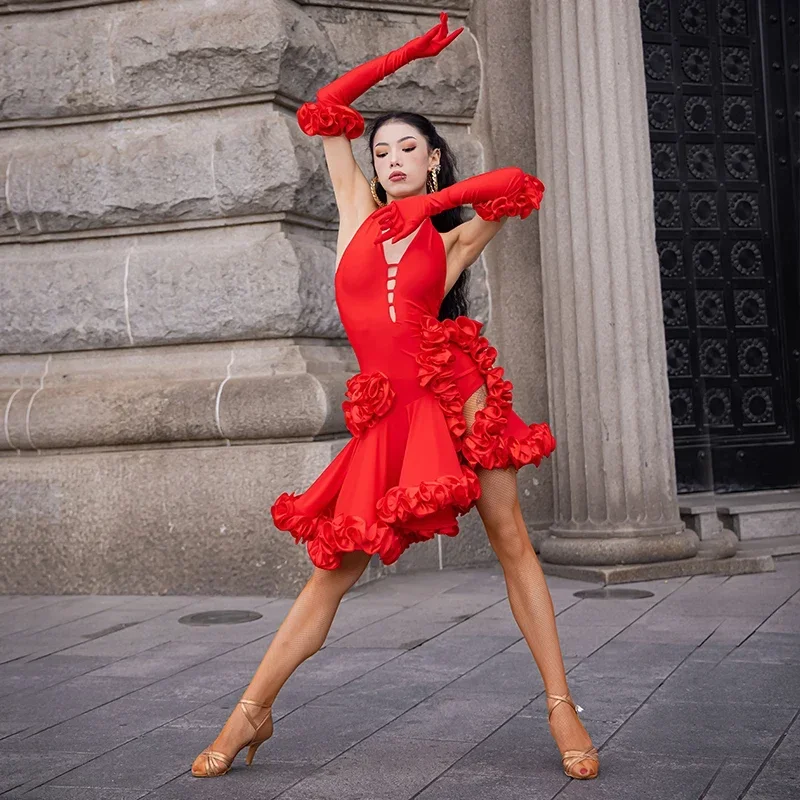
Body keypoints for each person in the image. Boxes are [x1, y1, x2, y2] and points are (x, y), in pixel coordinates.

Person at [191, 11, 599, 781]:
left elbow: (516, 187)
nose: (392, 156)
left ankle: (559, 704)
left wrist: (422, 209)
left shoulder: (450, 239)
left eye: (409, 146)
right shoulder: (352, 208)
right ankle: (251, 711)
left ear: (434, 160)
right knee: (333, 570)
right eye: (382, 150)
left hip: (458, 398)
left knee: (512, 542)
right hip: (393, 418)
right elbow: (324, 106)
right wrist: (409, 52)